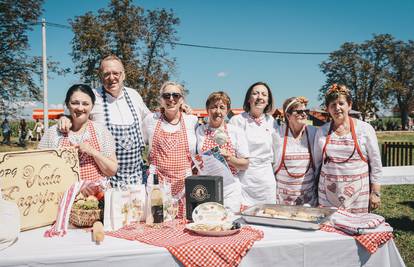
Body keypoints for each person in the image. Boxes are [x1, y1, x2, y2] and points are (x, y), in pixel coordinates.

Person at [58, 55, 150, 187]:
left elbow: (150, 119)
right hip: (105, 179)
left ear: (123, 75)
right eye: (106, 74)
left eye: (116, 73)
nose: (111, 78)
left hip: (137, 177)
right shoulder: (92, 97)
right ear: (100, 76)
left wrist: (174, 108)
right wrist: (65, 118)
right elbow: (73, 112)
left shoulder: (134, 95)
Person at [314, 84, 382, 214]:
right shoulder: (322, 132)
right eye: (332, 105)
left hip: (358, 195)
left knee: (357, 230)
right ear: (328, 108)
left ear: (349, 105)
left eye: (341, 103)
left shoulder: (365, 129)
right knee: (330, 230)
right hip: (328, 194)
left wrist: (376, 193)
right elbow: (317, 165)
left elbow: (376, 164)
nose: (337, 108)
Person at [39, 84, 118, 182]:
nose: (80, 108)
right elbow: (40, 167)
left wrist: (93, 152)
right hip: (62, 196)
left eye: (85, 104)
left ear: (92, 106)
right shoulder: (53, 133)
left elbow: (112, 171)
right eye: (75, 103)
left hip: (95, 196)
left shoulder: (101, 132)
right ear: (67, 104)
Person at [143, 81, 198, 218]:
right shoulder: (151, 120)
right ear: (161, 99)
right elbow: (141, 142)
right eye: (167, 95)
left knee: (184, 224)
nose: (171, 99)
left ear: (182, 100)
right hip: (157, 183)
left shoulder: (192, 121)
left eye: (176, 95)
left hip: (184, 184)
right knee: (158, 223)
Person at [196, 91, 249, 212]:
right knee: (206, 223)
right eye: (214, 107)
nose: (218, 111)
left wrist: (230, 158)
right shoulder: (200, 130)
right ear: (207, 109)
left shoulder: (235, 131)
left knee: (227, 222)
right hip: (206, 187)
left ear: (227, 110)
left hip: (229, 188)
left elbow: (245, 164)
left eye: (222, 107)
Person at [228, 82, 276, 206]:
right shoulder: (237, 120)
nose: (260, 97)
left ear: (267, 101)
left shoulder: (271, 121)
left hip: (266, 179)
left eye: (264, 94)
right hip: (245, 177)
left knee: (267, 216)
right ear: (249, 99)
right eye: (255, 93)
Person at [273, 96, 318, 206]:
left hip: (308, 201)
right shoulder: (277, 135)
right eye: (298, 111)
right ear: (288, 116)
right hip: (283, 201)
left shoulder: (313, 133)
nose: (304, 114)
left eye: (305, 111)